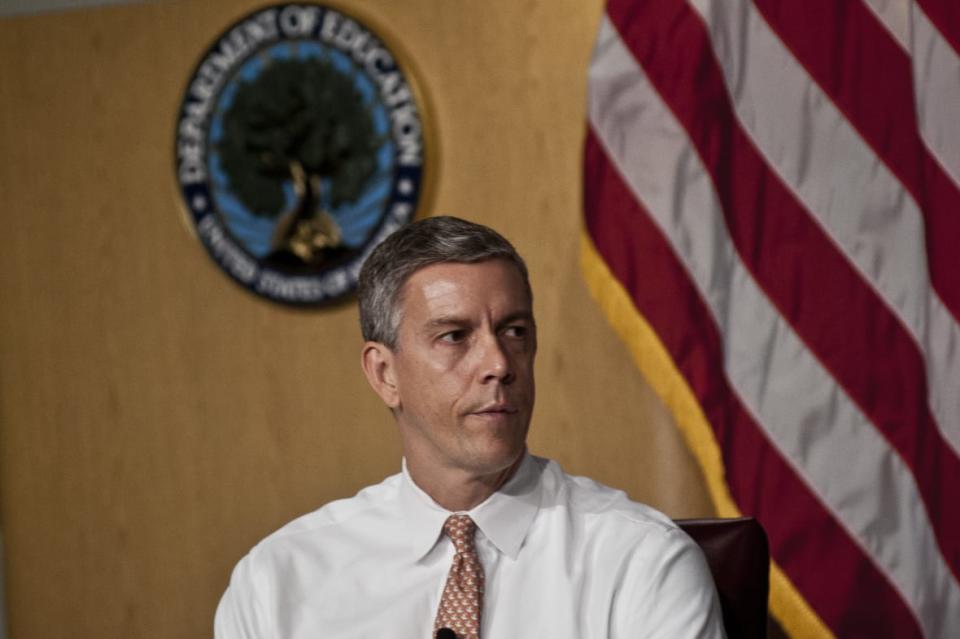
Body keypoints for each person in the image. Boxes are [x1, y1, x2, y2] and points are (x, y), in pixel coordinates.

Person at [215, 216, 725, 638]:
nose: (499, 363)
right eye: (455, 335)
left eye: (514, 331)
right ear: (384, 374)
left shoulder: (640, 561)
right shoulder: (277, 582)